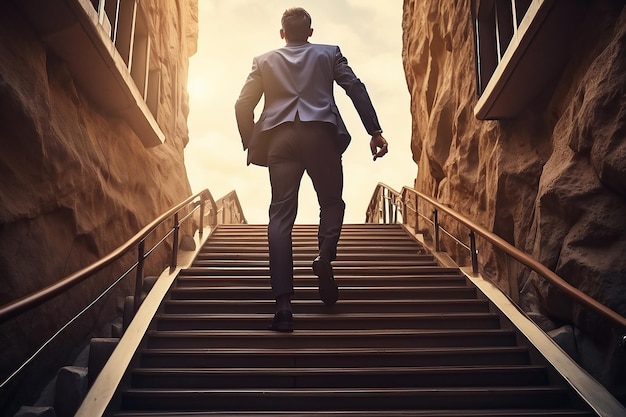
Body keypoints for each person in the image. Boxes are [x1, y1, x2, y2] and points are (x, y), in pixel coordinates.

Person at [235, 7, 388, 332]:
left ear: (282, 34)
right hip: (321, 134)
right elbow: (354, 87)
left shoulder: (264, 60)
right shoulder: (329, 53)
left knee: (280, 216)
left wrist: (252, 141)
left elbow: (242, 104)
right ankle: (324, 256)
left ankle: (283, 306)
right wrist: (374, 131)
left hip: (280, 140)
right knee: (332, 202)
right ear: (311, 32)